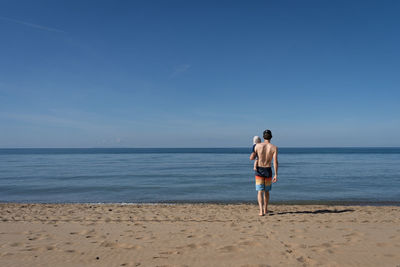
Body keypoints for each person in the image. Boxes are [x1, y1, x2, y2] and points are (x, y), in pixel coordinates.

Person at [250, 129, 278, 216]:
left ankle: (261, 211)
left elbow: (251, 158)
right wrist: (276, 174)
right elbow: (275, 162)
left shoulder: (257, 146)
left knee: (259, 191)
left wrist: (254, 153)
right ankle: (266, 209)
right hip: (268, 170)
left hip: (259, 170)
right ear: (271, 137)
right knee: (267, 191)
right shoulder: (274, 147)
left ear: (263, 137)